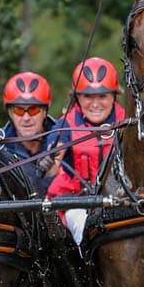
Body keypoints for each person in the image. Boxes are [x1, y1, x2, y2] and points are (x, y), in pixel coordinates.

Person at [46, 57, 128, 244]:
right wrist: (48, 161)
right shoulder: (65, 125)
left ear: (114, 96)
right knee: (84, 224)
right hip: (76, 203)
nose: (95, 104)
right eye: (88, 96)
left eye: (102, 96)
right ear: (76, 97)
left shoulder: (128, 123)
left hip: (120, 200)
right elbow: (53, 164)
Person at [0, 71, 63, 196]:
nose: (26, 118)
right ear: (10, 113)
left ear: (45, 111)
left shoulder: (65, 139)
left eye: (33, 110)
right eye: (18, 110)